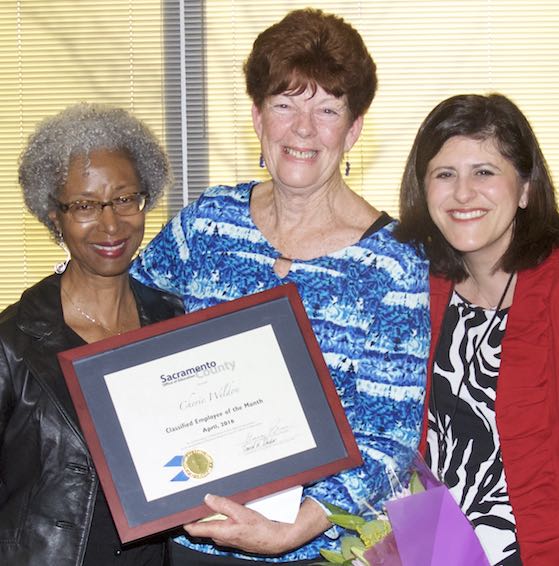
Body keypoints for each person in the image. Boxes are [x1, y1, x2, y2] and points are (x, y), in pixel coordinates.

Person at [130, 8, 429, 565]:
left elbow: (388, 442)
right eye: (285, 104)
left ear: (354, 128)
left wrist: (298, 527)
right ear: (258, 117)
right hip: (183, 538)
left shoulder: (391, 265)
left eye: (327, 109)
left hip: (312, 552)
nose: (303, 129)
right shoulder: (207, 224)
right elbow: (125, 327)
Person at [0, 102, 184, 565]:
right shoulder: (11, 344)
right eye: (84, 205)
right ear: (53, 215)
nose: (110, 223)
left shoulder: (173, 321)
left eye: (124, 198)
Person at [395, 93, 559, 565]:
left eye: (484, 172)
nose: (463, 193)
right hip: (433, 550)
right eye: (444, 174)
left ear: (526, 188)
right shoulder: (417, 284)